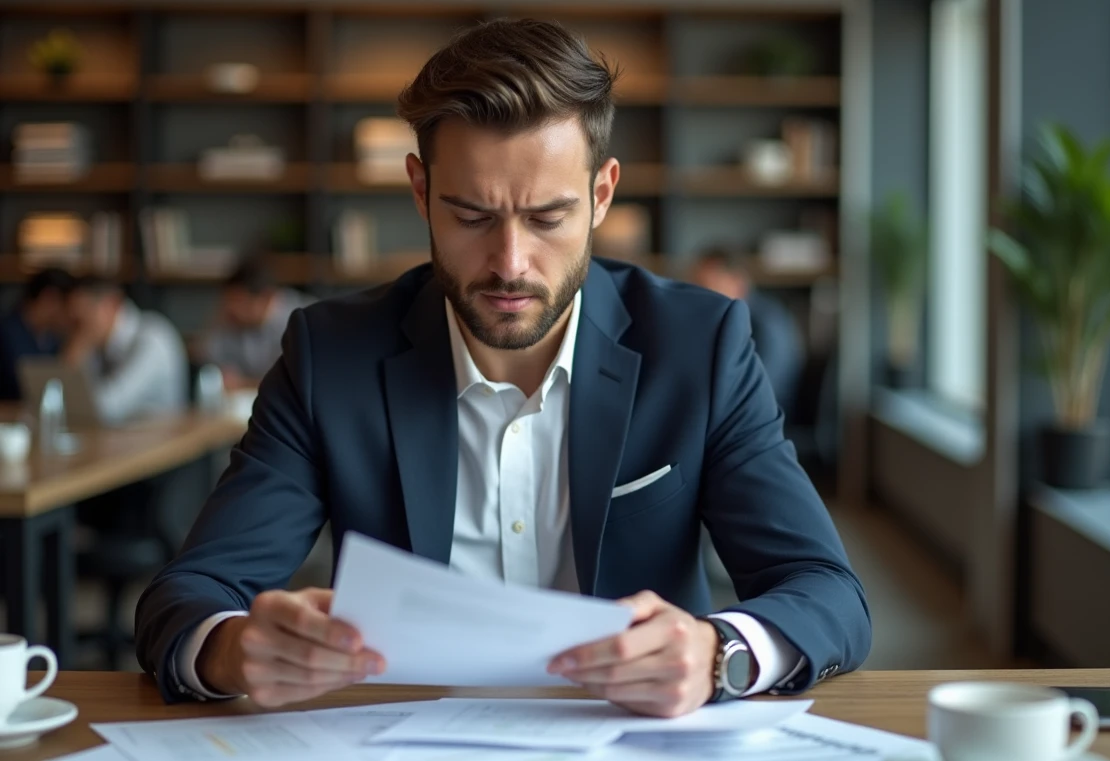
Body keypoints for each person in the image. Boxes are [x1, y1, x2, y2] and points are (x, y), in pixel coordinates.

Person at [135, 19, 870, 719]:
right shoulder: (331, 355)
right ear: (420, 191)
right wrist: (234, 650)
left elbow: (827, 593)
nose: (511, 264)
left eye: (548, 217)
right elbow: (187, 596)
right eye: (472, 215)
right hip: (398, 756)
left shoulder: (699, 347)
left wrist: (719, 653)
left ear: (602, 194)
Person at [689, 249, 804, 415]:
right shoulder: (733, 318)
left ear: (737, 281)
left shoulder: (765, 323)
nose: (699, 298)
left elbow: (762, 390)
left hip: (765, 419)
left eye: (708, 287)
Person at [64, 277, 188, 424]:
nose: (78, 331)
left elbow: (107, 409)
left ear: (112, 305)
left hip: (161, 440)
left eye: (83, 319)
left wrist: (75, 353)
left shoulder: (152, 339)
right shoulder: (98, 346)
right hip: (118, 438)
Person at [198, 260, 313, 391]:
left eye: (240, 302)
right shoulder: (231, 319)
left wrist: (244, 383)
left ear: (266, 297)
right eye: (229, 302)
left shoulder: (304, 321)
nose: (233, 309)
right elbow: (209, 364)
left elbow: (293, 383)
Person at [0, 266, 77, 401]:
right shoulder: (6, 334)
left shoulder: (55, 338)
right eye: (68, 306)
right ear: (49, 297)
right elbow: (28, 386)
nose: (71, 315)